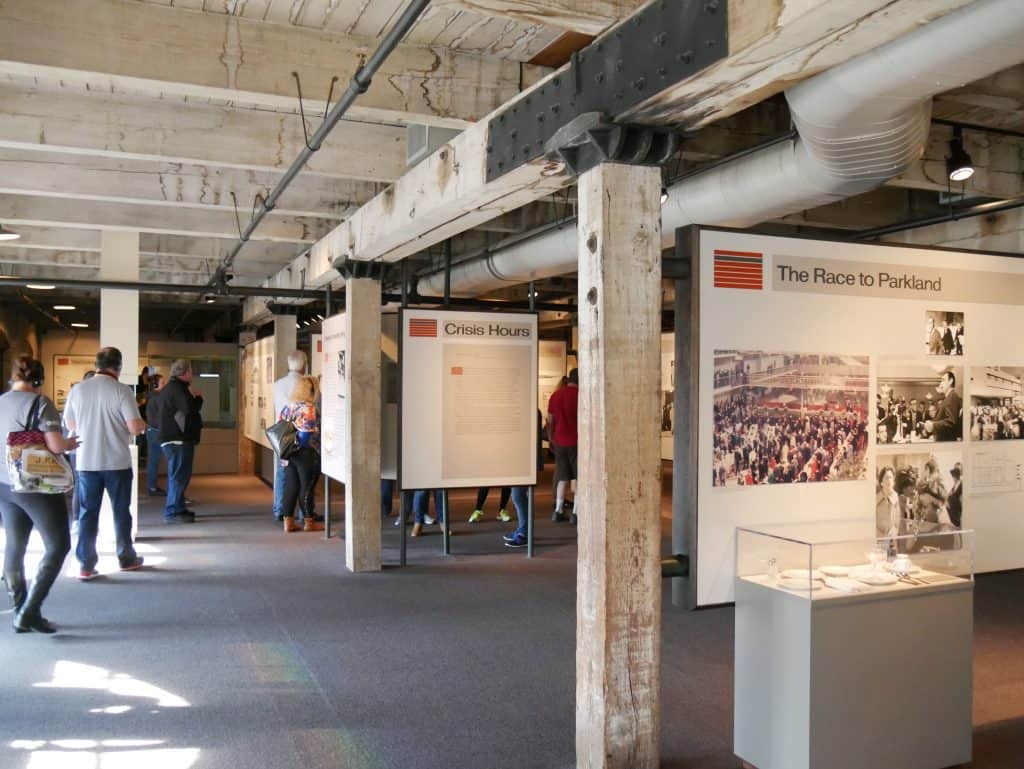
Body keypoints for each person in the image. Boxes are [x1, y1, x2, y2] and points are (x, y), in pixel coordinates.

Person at [0, 356, 80, 632]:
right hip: (34, 485)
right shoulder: (40, 403)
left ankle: (20, 606)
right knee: (58, 545)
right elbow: (56, 446)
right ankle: (29, 611)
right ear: (38, 380)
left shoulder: (0, 401)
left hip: (4, 485)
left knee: (15, 543)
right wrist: (71, 442)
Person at [62, 347, 146, 580]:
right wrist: (142, 425)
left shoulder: (77, 390)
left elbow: (70, 423)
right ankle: (126, 557)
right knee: (121, 511)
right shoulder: (121, 391)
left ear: (97, 364)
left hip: (87, 462)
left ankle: (86, 565)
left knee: (88, 513)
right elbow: (133, 426)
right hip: (116, 462)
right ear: (118, 367)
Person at [156, 359, 204, 524]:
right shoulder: (178, 389)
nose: (192, 374)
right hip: (177, 440)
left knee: (178, 475)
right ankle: (172, 511)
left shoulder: (170, 388)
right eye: (190, 371)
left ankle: (179, 507)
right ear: (184, 373)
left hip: (173, 440)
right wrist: (198, 399)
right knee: (179, 476)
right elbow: (189, 409)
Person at [278, 375, 324, 532]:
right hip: (306, 452)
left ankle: (288, 522)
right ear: (311, 390)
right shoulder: (308, 408)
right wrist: (300, 444)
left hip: (289, 452)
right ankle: (309, 521)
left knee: (291, 486)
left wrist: (290, 448)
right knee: (307, 487)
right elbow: (305, 434)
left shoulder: (288, 406)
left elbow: (280, 428)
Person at [272, 351, 307, 523]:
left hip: (282, 435)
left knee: (282, 472)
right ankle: (304, 513)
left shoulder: (278, 384)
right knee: (303, 475)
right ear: (304, 364)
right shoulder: (305, 384)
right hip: (300, 433)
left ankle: (280, 509)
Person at [548, 367, 579, 523]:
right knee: (578, 478)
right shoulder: (581, 396)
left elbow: (550, 420)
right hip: (577, 442)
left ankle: (558, 510)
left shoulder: (556, 395)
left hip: (559, 441)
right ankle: (576, 512)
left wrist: (551, 439)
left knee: (562, 477)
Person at [924, 370, 962, 442]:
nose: (941, 383)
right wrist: (931, 423)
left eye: (943, 380)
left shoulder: (952, 396)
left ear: (950, 381)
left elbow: (951, 422)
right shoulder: (948, 398)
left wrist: (933, 425)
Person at [145, 374, 166, 495]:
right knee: (171, 460)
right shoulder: (159, 398)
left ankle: (152, 486)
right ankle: (153, 487)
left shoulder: (150, 397)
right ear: (156, 385)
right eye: (163, 382)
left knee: (153, 461)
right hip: (158, 431)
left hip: (151, 431)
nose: (165, 385)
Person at [875, 466, 900, 539]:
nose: (889, 480)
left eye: (891, 477)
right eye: (886, 477)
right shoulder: (876, 499)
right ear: (881, 482)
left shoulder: (896, 498)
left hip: (891, 539)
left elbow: (897, 521)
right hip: (878, 538)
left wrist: (893, 533)